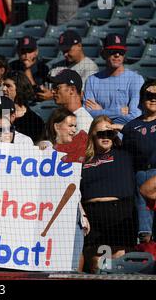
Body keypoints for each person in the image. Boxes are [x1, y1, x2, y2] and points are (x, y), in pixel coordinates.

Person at [80, 115, 137, 273]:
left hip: (120, 212)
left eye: (109, 133)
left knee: (119, 264)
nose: (105, 137)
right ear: (92, 135)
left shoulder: (125, 153)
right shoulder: (83, 159)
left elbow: (144, 137)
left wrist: (121, 128)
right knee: (96, 265)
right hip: (92, 214)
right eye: (100, 133)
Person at [38, 107, 89, 272]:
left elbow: (73, 190)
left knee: (72, 267)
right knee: (51, 266)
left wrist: (83, 215)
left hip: (73, 212)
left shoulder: (75, 156)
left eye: (75, 126)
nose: (74, 130)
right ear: (56, 126)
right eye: (70, 126)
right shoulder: (45, 149)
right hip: (49, 214)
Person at [120, 82, 156, 243]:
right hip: (139, 173)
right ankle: (145, 240)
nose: (153, 99)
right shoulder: (131, 126)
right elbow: (126, 155)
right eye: (149, 96)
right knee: (143, 219)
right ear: (142, 99)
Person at [83, 33, 143, 125]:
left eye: (121, 52)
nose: (117, 55)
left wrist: (102, 112)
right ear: (103, 53)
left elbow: (134, 116)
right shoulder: (92, 80)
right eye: (112, 51)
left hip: (125, 135)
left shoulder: (136, 79)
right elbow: (87, 114)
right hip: (101, 135)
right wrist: (118, 112)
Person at [2, 71, 45, 143]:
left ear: (19, 88)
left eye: (8, 86)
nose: (3, 89)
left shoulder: (34, 121)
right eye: (3, 85)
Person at [50, 68, 93, 133]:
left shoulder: (83, 121)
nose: (53, 91)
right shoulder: (62, 116)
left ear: (72, 90)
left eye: (57, 87)